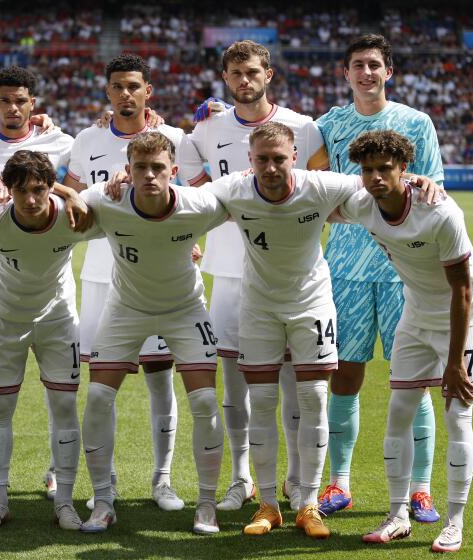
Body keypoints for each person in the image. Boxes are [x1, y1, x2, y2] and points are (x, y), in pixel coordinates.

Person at [202, 121, 441, 540]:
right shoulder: (233, 189)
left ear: (294, 156)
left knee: (312, 399)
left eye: (279, 159)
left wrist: (416, 181)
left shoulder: (322, 185)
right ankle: (268, 506)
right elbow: (181, 199)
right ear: (250, 161)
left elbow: (379, 183)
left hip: (311, 304)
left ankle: (308, 504)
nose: (271, 168)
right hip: (257, 307)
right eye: (262, 160)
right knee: (262, 402)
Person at [188, 39, 329, 514]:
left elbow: (320, 190)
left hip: (288, 278)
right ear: (225, 79)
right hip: (228, 274)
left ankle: (294, 481)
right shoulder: (207, 127)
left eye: (252, 72)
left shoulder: (303, 128)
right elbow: (190, 186)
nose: (244, 81)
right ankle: (242, 478)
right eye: (235, 74)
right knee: (238, 382)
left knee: (295, 382)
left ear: (268, 74)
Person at [64, 53, 207, 512]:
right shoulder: (86, 138)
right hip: (103, 276)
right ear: (107, 92)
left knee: (160, 379)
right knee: (101, 388)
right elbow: (67, 198)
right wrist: (98, 190)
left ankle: (162, 481)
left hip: (165, 277)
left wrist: (187, 239)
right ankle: (102, 486)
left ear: (148, 91)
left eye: (134, 86)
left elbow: (197, 198)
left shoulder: (175, 139)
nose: (125, 94)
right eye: (117, 87)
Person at [336, 130, 473, 553]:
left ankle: (455, 522)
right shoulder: (362, 204)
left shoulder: (440, 212)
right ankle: (397, 514)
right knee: (399, 409)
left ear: (404, 169)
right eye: (367, 170)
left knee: (458, 414)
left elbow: (461, 290)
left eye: (385, 168)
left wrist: (454, 363)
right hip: (416, 313)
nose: (375, 177)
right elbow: (315, 199)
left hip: (465, 317)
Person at [315, 34, 445, 522]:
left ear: (388, 71)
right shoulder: (328, 124)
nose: (366, 73)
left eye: (374, 65)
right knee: (345, 375)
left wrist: (429, 183)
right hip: (345, 271)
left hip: (402, 273)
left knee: (412, 381)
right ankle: (340, 482)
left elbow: (435, 184)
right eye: (357, 65)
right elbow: (299, 164)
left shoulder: (416, 122)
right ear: (345, 73)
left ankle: (420, 488)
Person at [78, 131, 226, 534]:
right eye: (139, 168)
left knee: (207, 403)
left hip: (185, 310)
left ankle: (206, 505)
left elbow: (242, 193)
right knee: (96, 398)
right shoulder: (106, 200)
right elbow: (64, 202)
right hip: (126, 309)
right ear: (127, 171)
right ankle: (103, 502)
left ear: (173, 172)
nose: (148, 175)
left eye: (157, 168)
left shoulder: (198, 204)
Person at [0, 65, 74, 503]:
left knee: (55, 380)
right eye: (5, 100)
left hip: (49, 273)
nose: (13, 108)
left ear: (33, 104)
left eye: (21, 100)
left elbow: (82, 186)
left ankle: (55, 472)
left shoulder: (61, 143)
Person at [0, 150, 100, 531]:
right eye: (21, 191)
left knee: (63, 407)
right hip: (5, 324)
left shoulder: (73, 217)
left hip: (58, 323)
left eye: (39, 190)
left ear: (51, 189)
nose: (30, 200)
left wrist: (74, 194)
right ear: (7, 190)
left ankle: (64, 503)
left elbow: (129, 216)